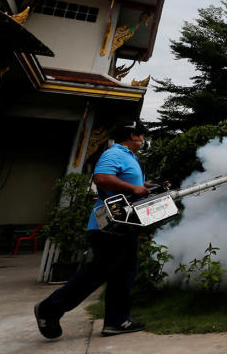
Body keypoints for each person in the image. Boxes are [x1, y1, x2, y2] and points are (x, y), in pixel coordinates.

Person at [34, 119, 158, 339]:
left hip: (124, 225)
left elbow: (122, 183)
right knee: (99, 272)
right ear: (133, 136)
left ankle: (117, 321)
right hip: (108, 226)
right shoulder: (115, 154)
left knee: (125, 273)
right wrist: (133, 188)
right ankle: (49, 308)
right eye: (141, 135)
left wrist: (146, 186)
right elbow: (101, 178)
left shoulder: (128, 157)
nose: (143, 139)